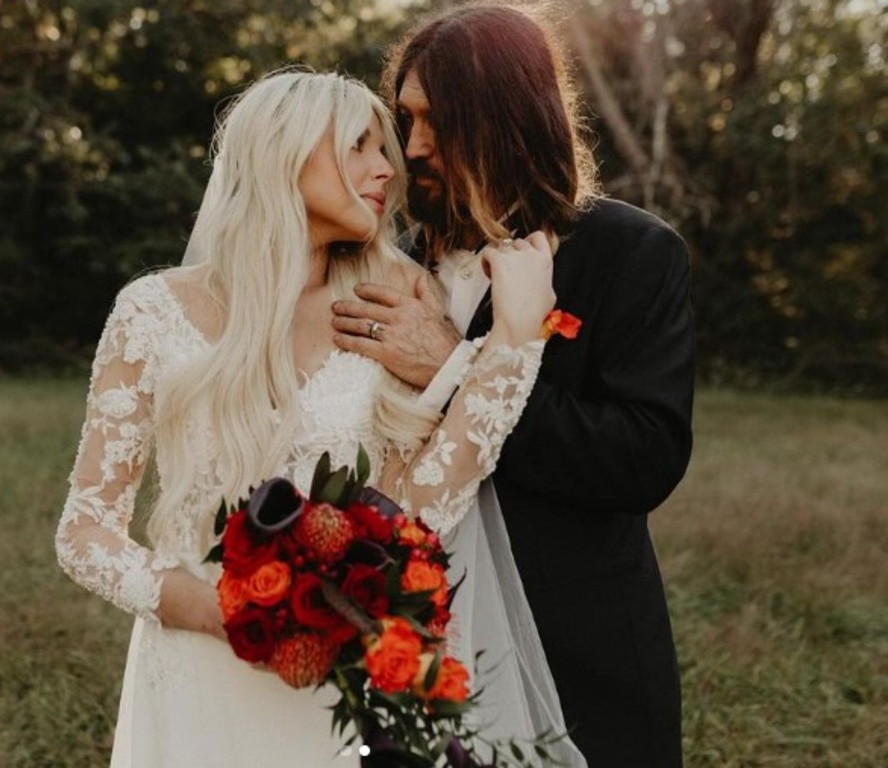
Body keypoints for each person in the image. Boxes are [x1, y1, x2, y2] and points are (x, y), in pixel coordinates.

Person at [54, 68, 584, 768]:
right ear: (286, 151)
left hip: (342, 688)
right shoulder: (152, 314)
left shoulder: (391, 300)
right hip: (199, 674)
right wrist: (230, 616)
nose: (386, 168)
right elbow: (85, 532)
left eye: (383, 148)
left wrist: (514, 342)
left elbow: (419, 512)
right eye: (359, 145)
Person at [331, 5, 695, 767]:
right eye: (407, 118)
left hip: (578, 644)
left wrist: (456, 369)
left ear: (513, 119)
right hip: (414, 640)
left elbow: (643, 459)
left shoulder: (630, 254)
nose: (415, 146)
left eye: (442, 121)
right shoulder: (387, 268)